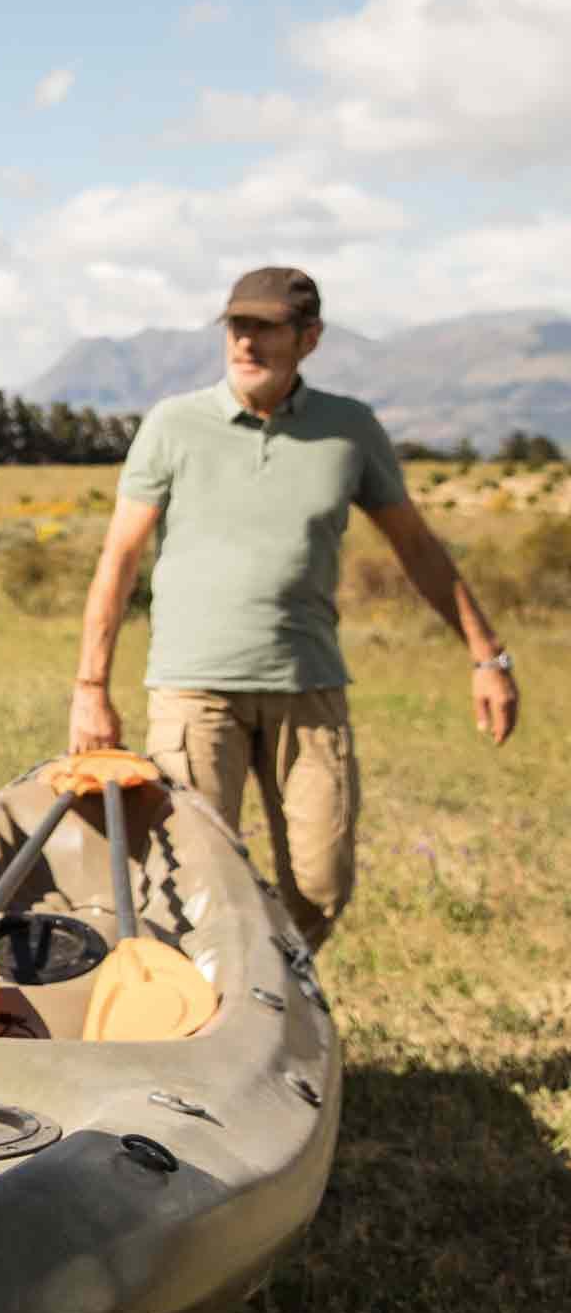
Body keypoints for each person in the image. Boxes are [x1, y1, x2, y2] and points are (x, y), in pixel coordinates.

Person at [66, 266, 521, 953]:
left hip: (307, 687)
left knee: (322, 882)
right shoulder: (173, 425)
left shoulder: (349, 429)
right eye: (237, 327)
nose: (246, 344)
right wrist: (91, 688)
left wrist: (488, 657)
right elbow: (119, 560)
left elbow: (419, 550)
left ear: (309, 339)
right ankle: (214, 1031)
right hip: (194, 691)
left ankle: (272, 986)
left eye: (266, 329)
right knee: (188, 878)